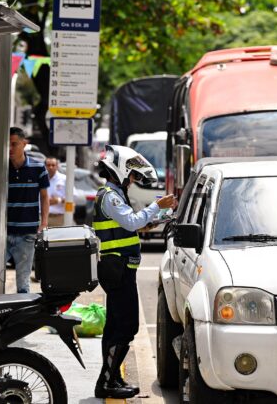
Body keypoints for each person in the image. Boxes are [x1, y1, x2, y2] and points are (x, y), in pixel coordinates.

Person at [93, 145, 176, 399]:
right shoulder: (110, 196)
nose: (133, 181)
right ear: (120, 171)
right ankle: (107, 382)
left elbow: (131, 223)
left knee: (117, 326)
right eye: (132, 176)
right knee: (125, 326)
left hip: (120, 269)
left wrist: (159, 215)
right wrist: (156, 205)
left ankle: (111, 377)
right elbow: (131, 221)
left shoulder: (116, 194)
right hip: (117, 269)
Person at [6, 127, 49, 294]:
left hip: (27, 234)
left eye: (14, 144)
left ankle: (22, 318)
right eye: (7, 144)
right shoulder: (1, 169)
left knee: (23, 284)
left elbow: (44, 197)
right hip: (3, 233)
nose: (10, 148)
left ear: (24, 144)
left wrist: (44, 223)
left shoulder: (38, 168)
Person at [45, 157, 66, 227]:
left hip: (58, 218)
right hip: (43, 217)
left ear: (57, 166)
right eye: (48, 165)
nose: (50, 167)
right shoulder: (41, 178)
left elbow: (73, 197)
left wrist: (58, 200)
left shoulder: (64, 179)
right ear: (45, 166)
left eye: (53, 165)